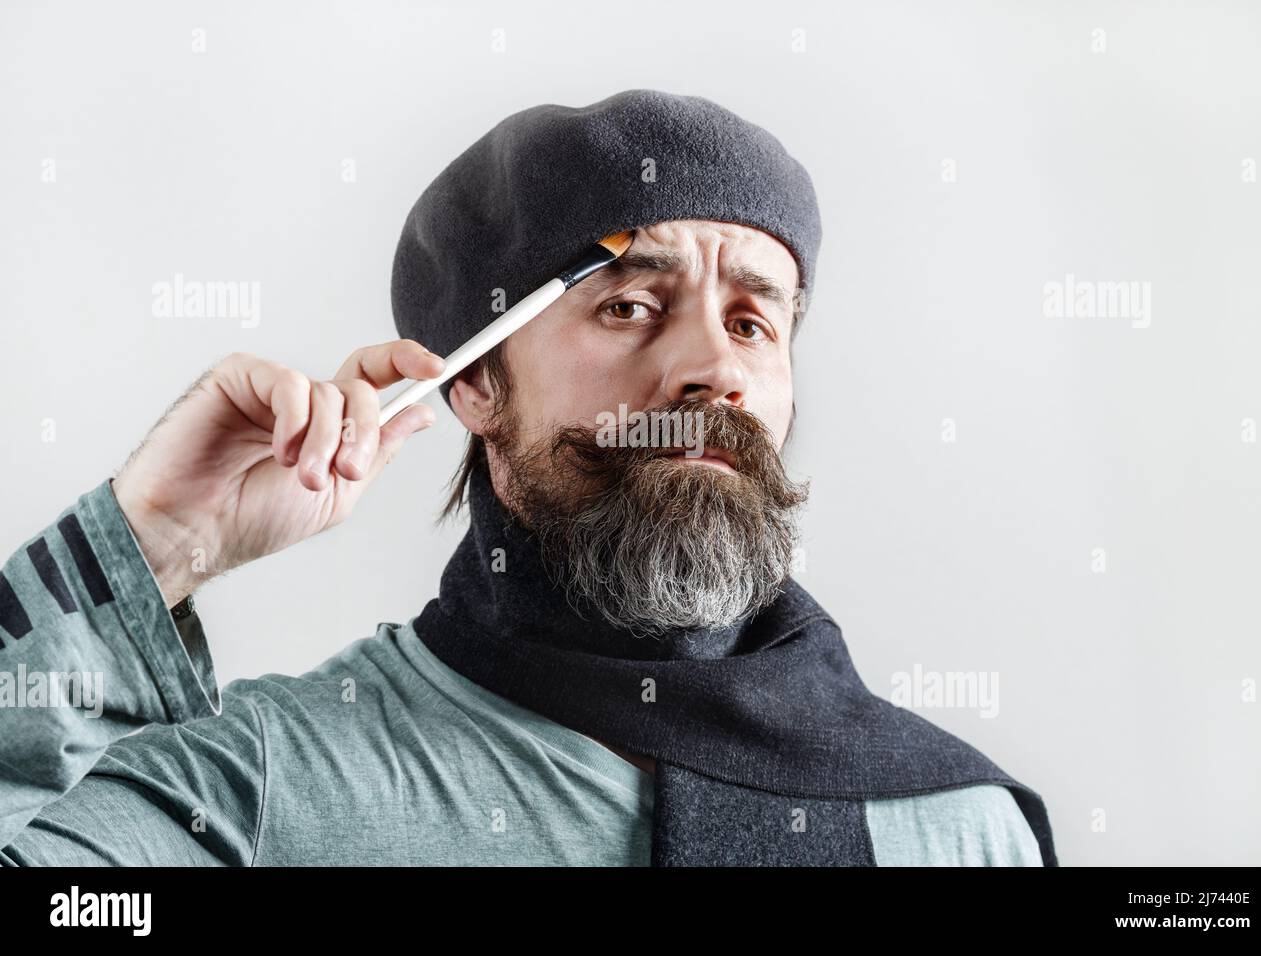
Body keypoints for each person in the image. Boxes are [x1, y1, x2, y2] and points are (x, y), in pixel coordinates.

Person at [0, 90, 1055, 866]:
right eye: (628, 307)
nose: (716, 368)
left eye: (752, 320)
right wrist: (155, 541)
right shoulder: (271, 784)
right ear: (475, 386)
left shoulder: (957, 824)